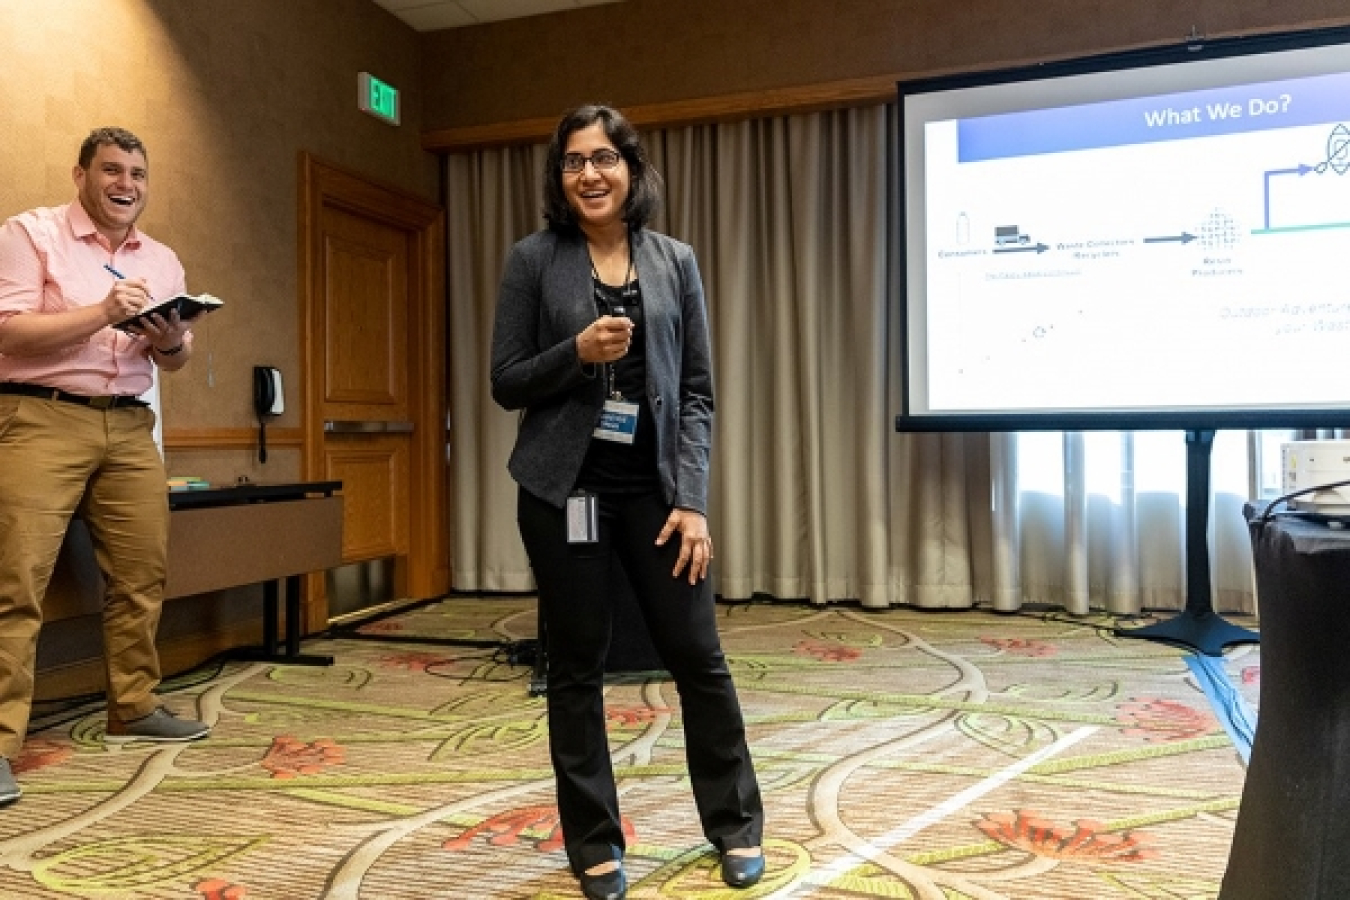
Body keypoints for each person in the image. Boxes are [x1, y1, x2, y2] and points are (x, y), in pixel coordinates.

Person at [490, 105, 766, 900]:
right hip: (562, 491)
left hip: (657, 494)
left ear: (632, 170)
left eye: (605, 158)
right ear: (560, 176)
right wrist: (573, 355)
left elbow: (699, 396)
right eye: (575, 161)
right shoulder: (534, 260)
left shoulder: (674, 261)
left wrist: (694, 498)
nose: (590, 173)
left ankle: (736, 824)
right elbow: (506, 379)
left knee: (697, 655)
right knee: (576, 667)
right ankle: (595, 843)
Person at [0, 126, 211, 805]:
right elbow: (7, 331)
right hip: (40, 416)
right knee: (15, 584)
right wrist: (98, 312)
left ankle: (134, 707)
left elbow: (172, 361)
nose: (126, 184)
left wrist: (173, 339)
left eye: (138, 174)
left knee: (142, 575)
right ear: (81, 175)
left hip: (128, 424)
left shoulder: (163, 259)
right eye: (112, 170)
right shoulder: (30, 235)